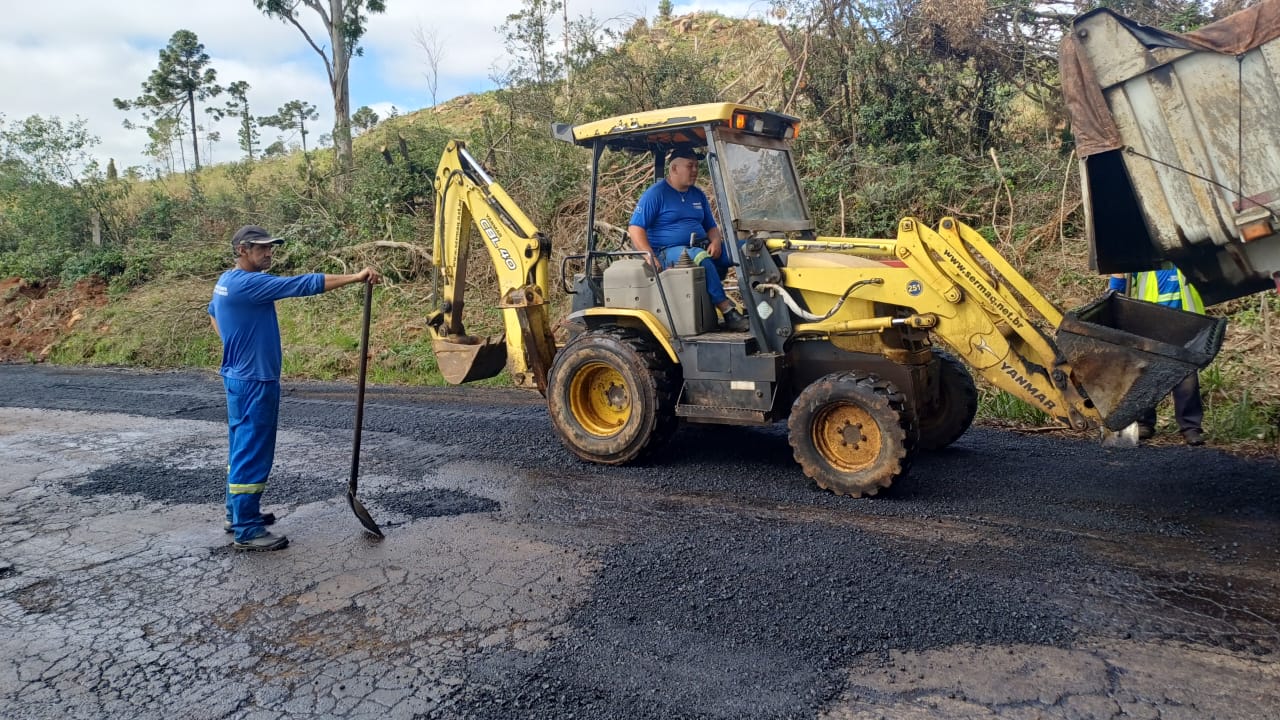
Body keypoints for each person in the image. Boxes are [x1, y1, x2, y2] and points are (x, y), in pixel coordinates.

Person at [209, 225, 381, 551]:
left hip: (238, 378)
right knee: (253, 452)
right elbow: (302, 284)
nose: (269, 252)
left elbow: (212, 314)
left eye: (271, 247)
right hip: (255, 382)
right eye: (262, 248)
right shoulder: (249, 284)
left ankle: (237, 514)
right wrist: (356, 277)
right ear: (243, 250)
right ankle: (247, 530)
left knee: (240, 449)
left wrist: (234, 346)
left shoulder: (225, 283)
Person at [628, 148, 750, 332]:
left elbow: (711, 227)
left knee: (746, 249)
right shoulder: (656, 194)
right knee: (700, 257)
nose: (695, 170)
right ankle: (727, 311)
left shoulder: (697, 194)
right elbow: (635, 228)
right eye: (690, 165)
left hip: (702, 246)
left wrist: (716, 242)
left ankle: (760, 306)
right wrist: (649, 256)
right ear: (675, 168)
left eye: (696, 166)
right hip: (668, 252)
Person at [1109, 266, 1206, 446]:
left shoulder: (1186, 259)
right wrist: (1117, 271)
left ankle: (1191, 428)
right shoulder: (1140, 260)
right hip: (1149, 323)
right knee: (1146, 375)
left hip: (1185, 323)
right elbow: (1117, 286)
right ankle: (1145, 422)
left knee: (1186, 376)